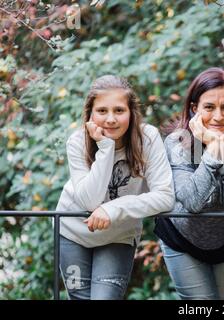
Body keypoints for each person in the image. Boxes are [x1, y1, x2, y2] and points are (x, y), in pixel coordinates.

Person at [56, 75, 174, 300]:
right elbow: (89, 202)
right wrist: (106, 147)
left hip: (118, 235)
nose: (110, 119)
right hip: (71, 233)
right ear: (90, 113)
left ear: (131, 113)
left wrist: (112, 209)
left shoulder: (147, 138)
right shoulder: (78, 141)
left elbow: (165, 196)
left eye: (119, 110)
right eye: (102, 111)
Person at [154, 67, 224, 300]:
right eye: (209, 107)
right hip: (182, 238)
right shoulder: (177, 142)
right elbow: (192, 201)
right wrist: (215, 151)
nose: (218, 117)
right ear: (195, 109)